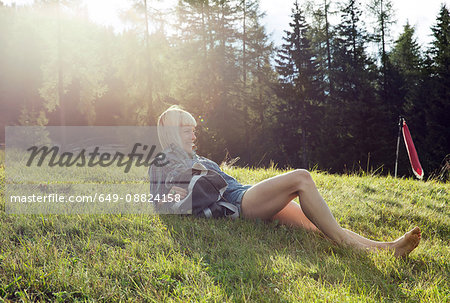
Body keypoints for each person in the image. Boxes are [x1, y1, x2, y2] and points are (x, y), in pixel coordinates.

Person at [149, 105, 421, 257]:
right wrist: (195, 180)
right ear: (173, 132)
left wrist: (201, 172)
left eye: (195, 130)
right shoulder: (163, 162)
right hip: (238, 202)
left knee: (321, 228)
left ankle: (388, 249)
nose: (194, 136)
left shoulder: (198, 158)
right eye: (187, 130)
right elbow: (170, 199)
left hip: (242, 193)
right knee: (302, 177)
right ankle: (371, 249)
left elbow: (202, 182)